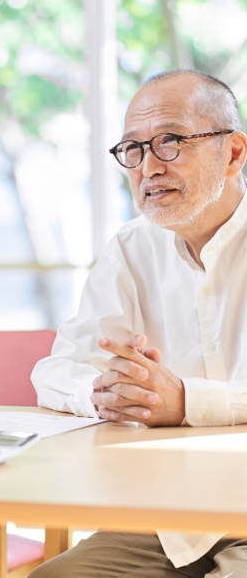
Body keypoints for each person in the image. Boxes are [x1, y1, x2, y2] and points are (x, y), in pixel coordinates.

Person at [29, 69, 247, 578]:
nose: (148, 167)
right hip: (172, 517)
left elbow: (182, 403)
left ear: (234, 153)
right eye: (133, 149)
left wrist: (186, 402)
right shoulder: (132, 246)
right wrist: (107, 393)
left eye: (169, 142)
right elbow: (57, 368)